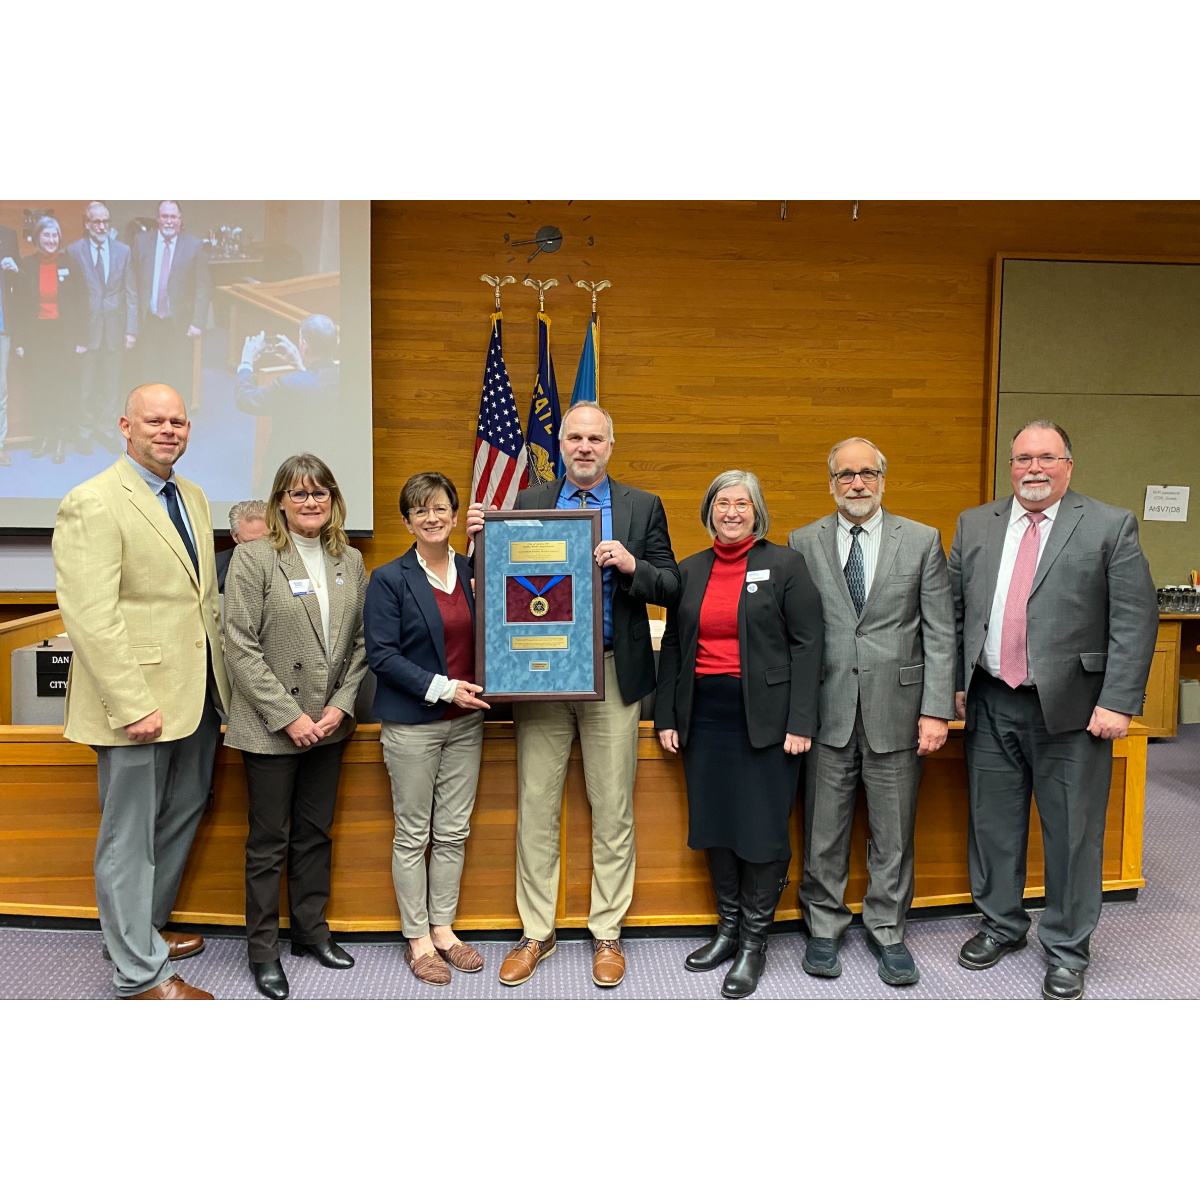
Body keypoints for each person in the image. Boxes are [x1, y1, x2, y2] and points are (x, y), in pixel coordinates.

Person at [467, 403, 681, 988]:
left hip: (613, 673)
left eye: (595, 438)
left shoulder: (642, 506)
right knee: (537, 804)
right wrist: (481, 545)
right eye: (574, 438)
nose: (584, 447)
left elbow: (671, 585)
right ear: (559, 445)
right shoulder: (531, 501)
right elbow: (493, 585)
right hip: (541, 675)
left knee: (613, 806)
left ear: (611, 444)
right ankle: (537, 931)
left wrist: (632, 563)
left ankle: (607, 931)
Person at [949, 420, 1157, 1000]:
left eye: (1046, 457)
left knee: (1071, 833)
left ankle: (1067, 947)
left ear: (1069, 464)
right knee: (993, 825)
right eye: (1022, 458)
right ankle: (1002, 925)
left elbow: (1134, 622)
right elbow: (954, 610)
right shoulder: (976, 524)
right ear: (1009, 465)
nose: (1033, 469)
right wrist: (953, 687)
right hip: (991, 701)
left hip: (1073, 710)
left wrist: (1118, 701)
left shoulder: (1110, 525)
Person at [52, 383, 231, 1000]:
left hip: (199, 697)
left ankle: (139, 932)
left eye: (178, 420)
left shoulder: (194, 496)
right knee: (129, 838)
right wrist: (133, 705)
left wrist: (223, 694)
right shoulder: (93, 501)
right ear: (125, 425)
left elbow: (201, 602)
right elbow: (91, 617)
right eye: (155, 420)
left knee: (183, 812)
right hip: (138, 705)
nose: (168, 429)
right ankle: (138, 975)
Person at [788, 438, 956, 987]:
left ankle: (887, 929)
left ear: (883, 478)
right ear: (830, 483)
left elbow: (939, 630)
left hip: (900, 712)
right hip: (827, 708)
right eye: (844, 476)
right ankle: (823, 927)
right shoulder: (802, 541)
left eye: (866, 474)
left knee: (894, 830)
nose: (856, 484)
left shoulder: (924, 540)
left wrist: (936, 710)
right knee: (823, 829)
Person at [656, 471, 823, 998]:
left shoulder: (785, 565)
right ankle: (727, 929)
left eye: (742, 504)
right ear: (709, 510)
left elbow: (808, 646)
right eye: (722, 503)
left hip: (770, 723)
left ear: (757, 512)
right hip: (704, 718)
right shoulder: (690, 569)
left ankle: (755, 940)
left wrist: (801, 722)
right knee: (716, 825)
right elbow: (677, 649)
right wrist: (666, 716)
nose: (732, 511)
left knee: (762, 830)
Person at [223, 454, 368, 1000]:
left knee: (314, 835)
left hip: (329, 724)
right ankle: (263, 952)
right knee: (268, 842)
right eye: (300, 493)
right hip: (270, 727)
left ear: (332, 499)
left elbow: (358, 646)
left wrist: (340, 707)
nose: (311, 502)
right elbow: (239, 644)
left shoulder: (349, 560)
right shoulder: (255, 558)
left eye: (321, 492)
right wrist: (289, 717)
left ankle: (311, 933)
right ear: (280, 501)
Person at [364, 472, 488, 986]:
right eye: (421, 511)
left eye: (440, 509)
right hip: (414, 724)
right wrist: (444, 687)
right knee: (414, 834)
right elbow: (381, 656)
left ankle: (444, 929)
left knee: (454, 832)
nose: (432, 518)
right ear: (407, 521)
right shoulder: (390, 579)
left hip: (467, 724)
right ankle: (416, 938)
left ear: (456, 516)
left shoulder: (475, 570)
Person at [10, 216, 88, 463]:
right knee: (40, 387)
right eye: (47, 235)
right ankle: (44, 436)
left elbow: (82, 302)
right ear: (37, 238)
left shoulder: (71, 264)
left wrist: (82, 337)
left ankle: (60, 438)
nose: (52, 240)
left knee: (62, 387)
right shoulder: (27, 265)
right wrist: (20, 340)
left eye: (55, 236)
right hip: (37, 336)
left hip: (64, 336)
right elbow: (20, 307)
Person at [234, 315, 339, 488]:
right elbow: (318, 386)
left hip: (291, 473)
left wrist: (246, 362)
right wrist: (301, 366)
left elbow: (246, 399)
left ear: (304, 344)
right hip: (328, 470)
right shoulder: (349, 380)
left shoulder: (287, 385)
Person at [67, 202, 137, 456]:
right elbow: (71, 297)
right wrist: (74, 333)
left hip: (115, 329)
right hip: (87, 330)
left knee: (111, 384)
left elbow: (131, 293)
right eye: (96, 222)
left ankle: (107, 431)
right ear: (87, 224)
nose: (101, 227)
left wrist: (131, 330)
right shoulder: (74, 251)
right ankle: (84, 431)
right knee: (85, 384)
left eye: (105, 222)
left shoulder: (123, 250)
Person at [133, 200, 209, 402]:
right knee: (148, 376)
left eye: (173, 217)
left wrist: (197, 322)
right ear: (158, 219)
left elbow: (203, 286)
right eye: (164, 216)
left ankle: (175, 423)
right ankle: (151, 422)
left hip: (179, 323)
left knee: (178, 376)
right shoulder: (141, 242)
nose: (168, 221)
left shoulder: (194, 246)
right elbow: (133, 282)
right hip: (149, 321)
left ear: (180, 220)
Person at [216, 499, 268, 593]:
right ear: (234, 536)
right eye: (250, 543)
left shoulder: (291, 562)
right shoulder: (215, 565)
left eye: (265, 542)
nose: (258, 549)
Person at [0, 219, 18, 466]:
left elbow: (18, 283)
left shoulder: (8, 235)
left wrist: (15, 271)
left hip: (2, 328)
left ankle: (0, 443)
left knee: (1, 389)